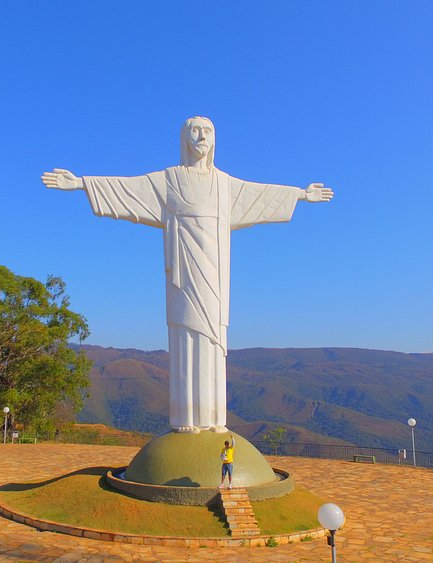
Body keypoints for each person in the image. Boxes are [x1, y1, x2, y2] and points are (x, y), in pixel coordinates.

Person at [42, 117, 333, 434]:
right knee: (185, 337)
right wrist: (82, 183)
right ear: (183, 139)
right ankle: (185, 420)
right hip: (182, 275)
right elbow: (128, 188)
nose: (201, 136)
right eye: (194, 130)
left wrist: (301, 195)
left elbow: (260, 195)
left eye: (207, 131)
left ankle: (214, 421)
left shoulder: (224, 184)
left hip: (215, 276)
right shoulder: (168, 180)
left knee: (213, 339)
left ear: (215, 139)